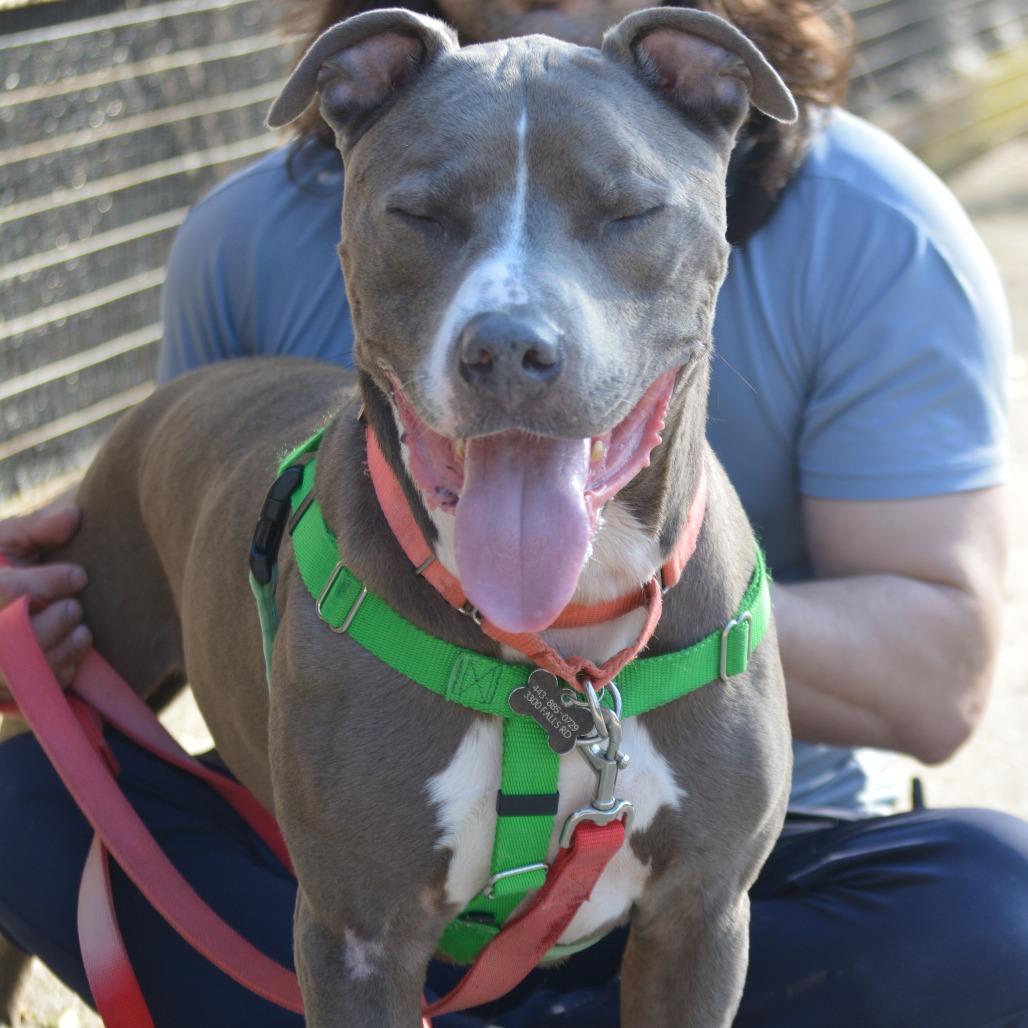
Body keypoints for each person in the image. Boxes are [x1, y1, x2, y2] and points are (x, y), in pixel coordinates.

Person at [0, 1, 1025, 1025]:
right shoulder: (254, 219)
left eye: (621, 214)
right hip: (338, 866)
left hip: (781, 865)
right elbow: (175, 569)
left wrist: (627, 623)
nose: (510, 326)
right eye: (427, 220)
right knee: (25, 798)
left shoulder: (872, 218)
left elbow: (940, 684)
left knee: (992, 901)